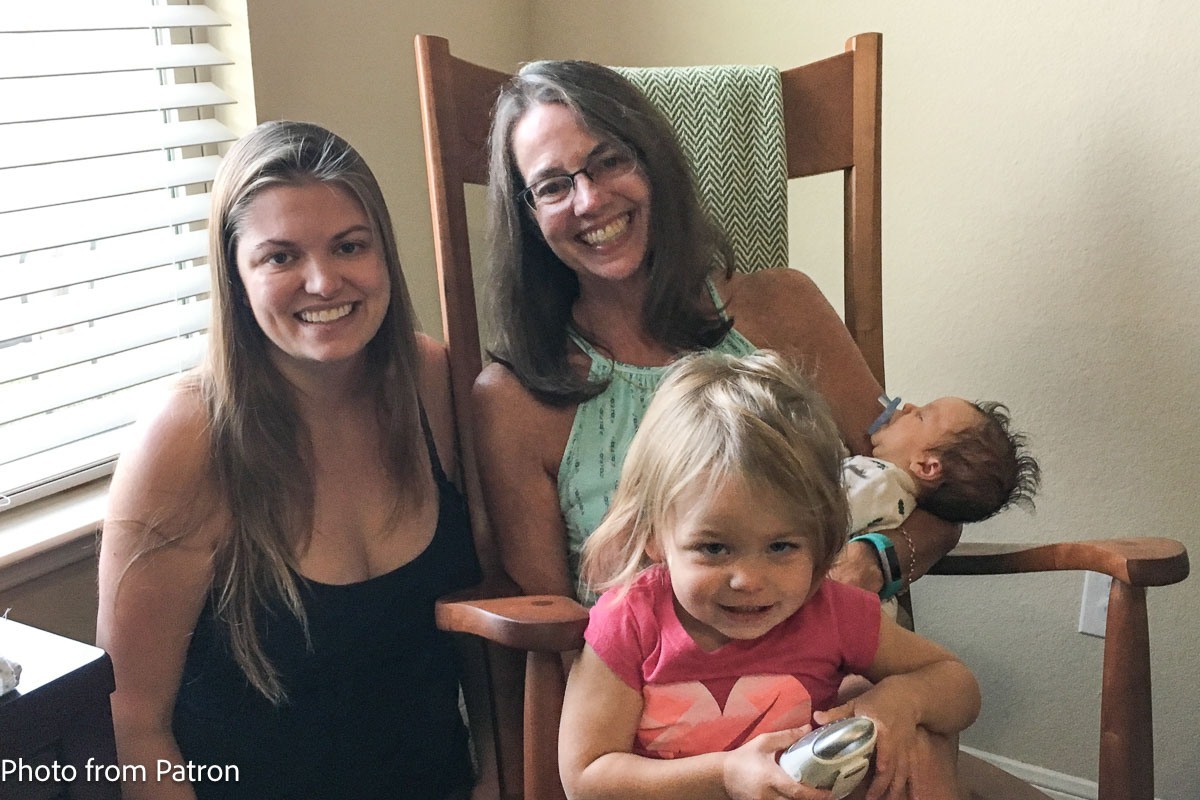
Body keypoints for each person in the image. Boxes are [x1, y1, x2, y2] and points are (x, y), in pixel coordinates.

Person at [473, 58, 960, 604]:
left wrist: (875, 559)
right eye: (553, 186)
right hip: (647, 684)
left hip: (835, 673)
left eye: (609, 160)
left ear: (655, 162)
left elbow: (940, 506)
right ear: (528, 218)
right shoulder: (515, 402)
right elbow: (554, 632)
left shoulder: (786, 311)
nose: (588, 200)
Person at [96, 121, 480, 800]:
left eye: (349, 247)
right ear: (236, 278)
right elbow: (135, 722)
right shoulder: (184, 440)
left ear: (383, 253)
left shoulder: (433, 382)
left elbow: (485, 633)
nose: (323, 281)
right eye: (279, 257)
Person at [559, 351, 981, 800]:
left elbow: (958, 685)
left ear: (821, 541)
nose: (748, 580)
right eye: (714, 547)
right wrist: (723, 774)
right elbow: (586, 778)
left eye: (781, 547)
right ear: (655, 537)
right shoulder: (631, 622)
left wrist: (904, 699)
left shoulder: (833, 611)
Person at [846, 397, 1041, 536]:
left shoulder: (877, 483)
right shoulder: (899, 504)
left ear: (926, 466)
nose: (908, 407)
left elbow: (819, 512)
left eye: (920, 416)